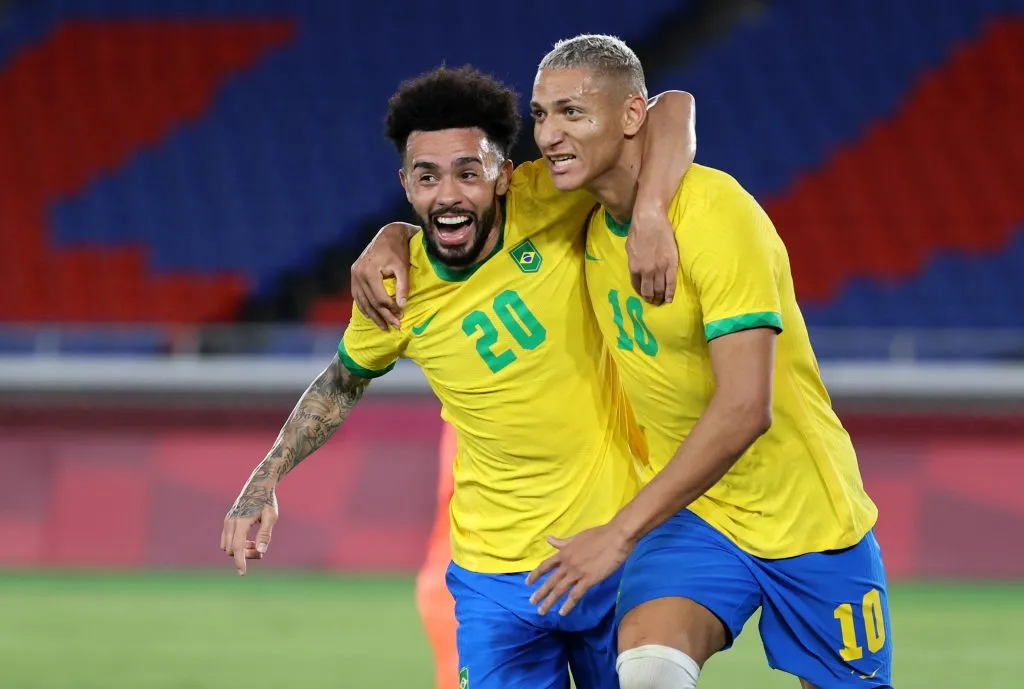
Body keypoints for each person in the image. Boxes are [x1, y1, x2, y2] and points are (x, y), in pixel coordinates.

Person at [355, 35, 892, 689]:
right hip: (694, 516)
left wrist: (619, 532)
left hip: (809, 517)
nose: (549, 135)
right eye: (541, 115)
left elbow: (746, 408)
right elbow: (460, 206)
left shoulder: (717, 215)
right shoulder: (577, 218)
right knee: (647, 673)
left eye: (571, 113)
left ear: (630, 115)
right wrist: (393, 234)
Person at [221, 64, 696, 689]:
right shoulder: (396, 289)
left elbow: (671, 109)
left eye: (468, 173)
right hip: (496, 578)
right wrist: (263, 481)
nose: (448, 194)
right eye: (427, 177)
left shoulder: (549, 196)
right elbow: (340, 383)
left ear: (503, 175)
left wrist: (652, 213)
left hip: (613, 552)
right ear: (406, 185)